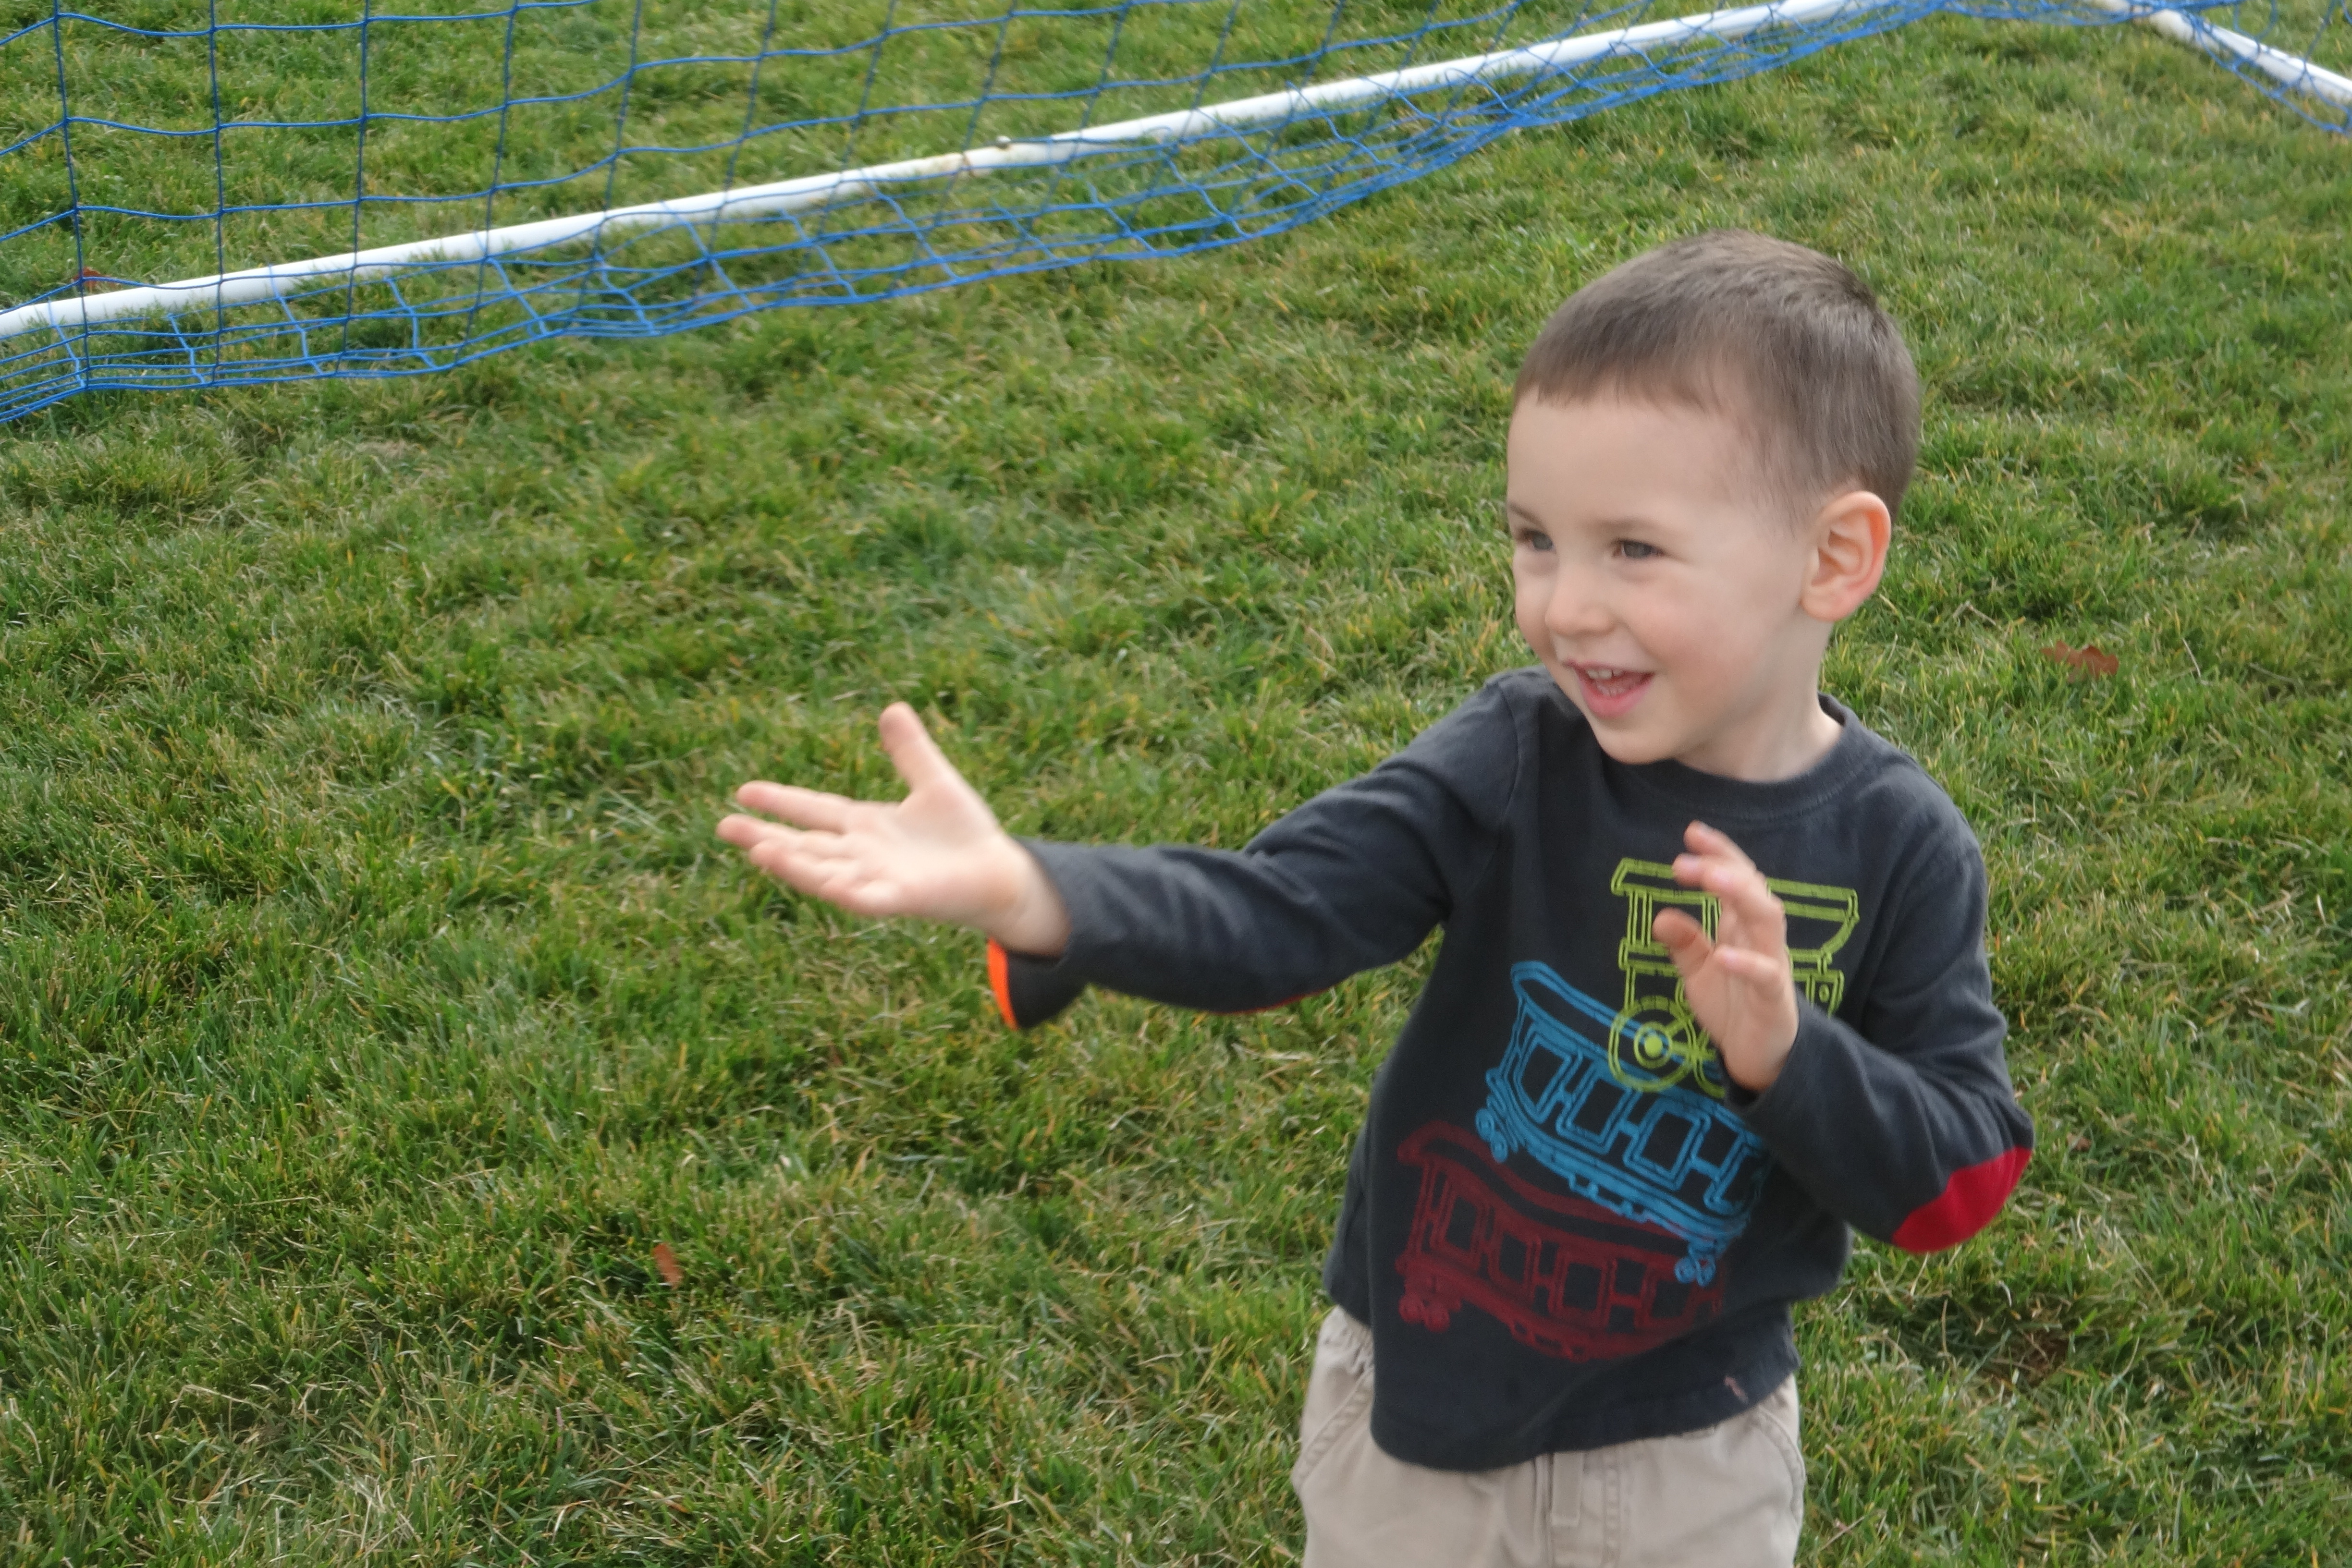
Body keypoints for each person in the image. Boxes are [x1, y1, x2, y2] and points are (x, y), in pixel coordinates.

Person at [716, 230, 2034, 1567]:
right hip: (1419, 1405)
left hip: (1696, 1447)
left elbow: (1957, 1184)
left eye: (1634, 548)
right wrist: (1037, 888)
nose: (1566, 606)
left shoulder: (1903, 849)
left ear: (1834, 557)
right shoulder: (1514, 757)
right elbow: (1284, 915)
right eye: (1535, 539)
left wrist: (1788, 1054)